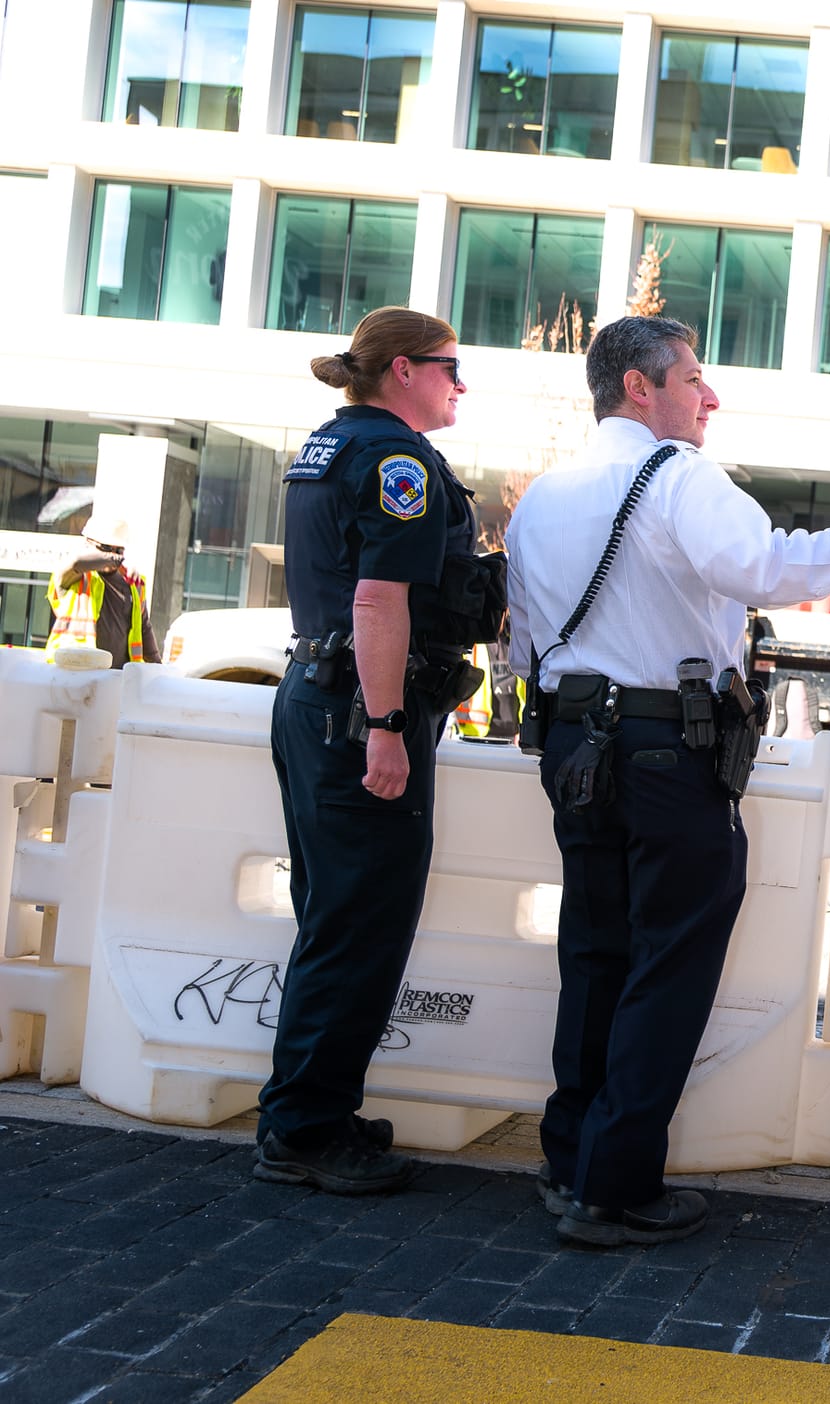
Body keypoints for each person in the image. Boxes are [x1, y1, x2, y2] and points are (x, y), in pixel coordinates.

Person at [506, 315, 830, 1248]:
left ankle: (570, 1155)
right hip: (667, 752)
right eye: (695, 379)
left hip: (573, 744)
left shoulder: (543, 495)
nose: (711, 397)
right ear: (640, 387)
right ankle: (613, 1188)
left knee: (592, 952)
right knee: (668, 963)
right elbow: (766, 567)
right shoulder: (679, 477)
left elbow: (521, 635)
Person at [255, 307, 500, 1194]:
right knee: (359, 923)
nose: (459, 382)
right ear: (402, 369)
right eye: (449, 366)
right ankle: (306, 1132)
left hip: (316, 701)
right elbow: (376, 603)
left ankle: (310, 1107)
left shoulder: (329, 446)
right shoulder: (397, 462)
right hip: (360, 717)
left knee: (335, 917)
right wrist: (391, 727)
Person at [44, 514, 159, 667]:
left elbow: (144, 630)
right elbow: (77, 562)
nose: (112, 555)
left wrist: (158, 667)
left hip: (117, 678)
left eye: (118, 550)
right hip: (75, 672)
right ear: (87, 543)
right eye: (105, 548)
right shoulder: (75, 577)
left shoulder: (133, 585)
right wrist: (117, 560)